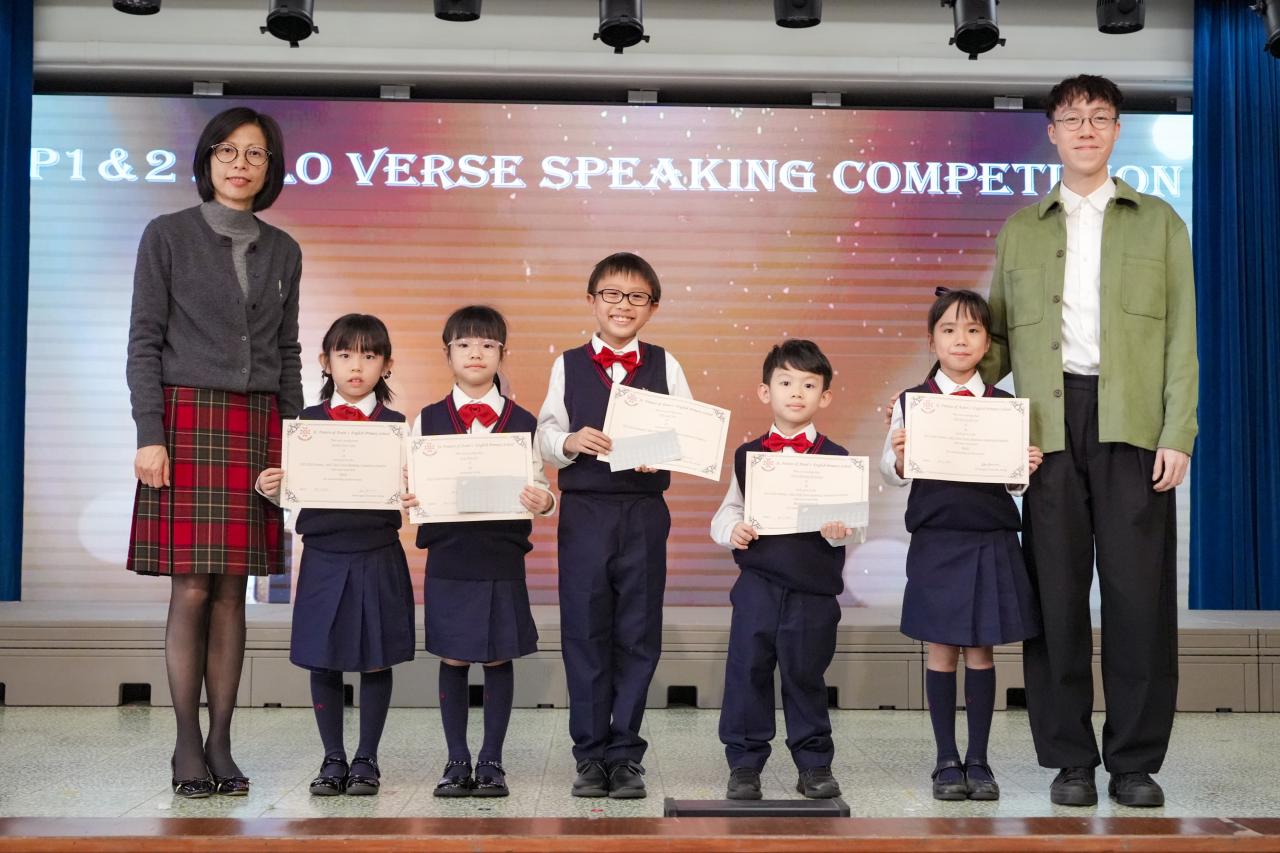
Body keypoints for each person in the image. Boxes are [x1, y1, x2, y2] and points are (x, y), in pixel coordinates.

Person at [980, 74, 1198, 808]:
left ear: (1116, 131)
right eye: (1072, 118)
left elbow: (1182, 338)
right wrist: (937, 396)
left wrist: (1178, 431)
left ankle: (1134, 762)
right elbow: (994, 342)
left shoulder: (1159, 223)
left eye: (1099, 117)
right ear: (1051, 132)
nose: (1085, 129)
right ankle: (1069, 759)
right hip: (1048, 424)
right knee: (1056, 598)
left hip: (1133, 423)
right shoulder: (1021, 229)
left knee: (1139, 599)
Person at [126, 106, 301, 798]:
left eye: (254, 153)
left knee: (234, 593)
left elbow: (288, 350)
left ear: (270, 167)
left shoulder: (283, 249)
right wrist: (150, 433)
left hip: (257, 423)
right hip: (186, 419)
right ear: (206, 160)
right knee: (192, 587)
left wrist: (298, 439)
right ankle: (185, 744)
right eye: (226, 150)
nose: (239, 164)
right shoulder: (166, 235)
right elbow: (144, 341)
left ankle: (222, 741)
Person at [535, 252, 693, 799]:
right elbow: (545, 436)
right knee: (584, 631)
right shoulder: (567, 364)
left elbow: (688, 435)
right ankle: (589, 755)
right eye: (611, 294)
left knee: (638, 633)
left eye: (636, 297)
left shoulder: (667, 364)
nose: (623, 305)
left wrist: (662, 452)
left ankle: (625, 754)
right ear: (592, 300)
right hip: (585, 513)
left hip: (643, 512)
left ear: (652, 307)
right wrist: (570, 441)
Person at [881, 289, 1043, 801]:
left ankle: (979, 760)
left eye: (973, 331)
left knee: (981, 650)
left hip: (989, 538)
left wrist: (1024, 468)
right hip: (937, 539)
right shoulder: (912, 403)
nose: (961, 340)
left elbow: (1014, 484)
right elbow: (892, 472)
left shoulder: (1005, 406)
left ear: (987, 343)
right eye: (949, 330)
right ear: (932, 340)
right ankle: (946, 760)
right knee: (941, 649)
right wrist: (901, 456)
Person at [256, 313, 415, 797]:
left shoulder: (398, 428)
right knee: (322, 659)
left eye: (369, 355)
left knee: (376, 659)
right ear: (326, 362)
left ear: (387, 365)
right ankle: (332, 758)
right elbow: (291, 492)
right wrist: (270, 488)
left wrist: (416, 490)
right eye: (345, 355)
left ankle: (367, 759)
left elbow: (416, 494)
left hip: (378, 553)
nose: (356, 366)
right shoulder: (304, 425)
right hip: (323, 554)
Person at [403, 305, 556, 798]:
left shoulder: (523, 421)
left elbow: (541, 486)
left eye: (487, 345)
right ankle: (455, 760)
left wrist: (545, 501)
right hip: (449, 558)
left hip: (500, 557)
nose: (476, 353)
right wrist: (410, 497)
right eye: (465, 344)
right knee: (452, 658)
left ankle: (491, 760)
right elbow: (411, 485)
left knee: (497, 657)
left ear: (501, 353)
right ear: (447, 353)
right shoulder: (425, 420)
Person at [710, 339, 859, 801]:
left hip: (813, 593)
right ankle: (744, 765)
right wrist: (732, 529)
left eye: (809, 385)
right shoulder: (748, 455)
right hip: (757, 586)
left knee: (806, 676)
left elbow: (854, 525)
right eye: (786, 382)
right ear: (765, 391)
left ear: (825, 397)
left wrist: (840, 530)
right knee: (747, 673)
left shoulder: (838, 458)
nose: (797, 392)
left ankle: (814, 764)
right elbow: (727, 511)